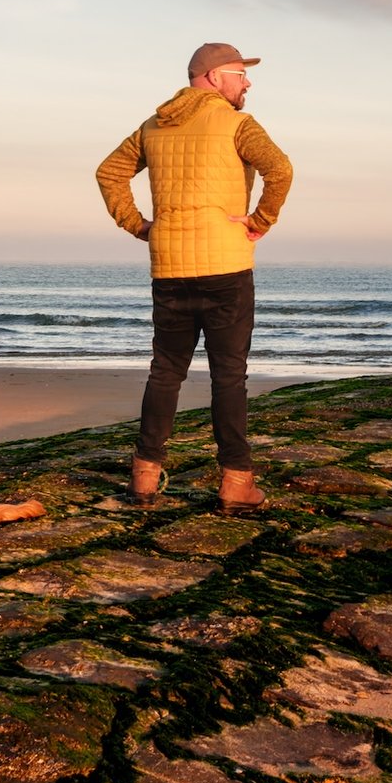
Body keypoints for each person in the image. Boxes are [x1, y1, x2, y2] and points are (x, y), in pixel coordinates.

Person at [95, 42, 294, 511]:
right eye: (239, 73)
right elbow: (280, 170)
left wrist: (140, 226)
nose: (247, 82)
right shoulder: (236, 123)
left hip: (170, 268)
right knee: (229, 376)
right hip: (226, 266)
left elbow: (109, 173)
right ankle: (236, 482)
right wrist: (260, 221)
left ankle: (144, 477)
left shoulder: (154, 125)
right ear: (212, 77)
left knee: (165, 371)